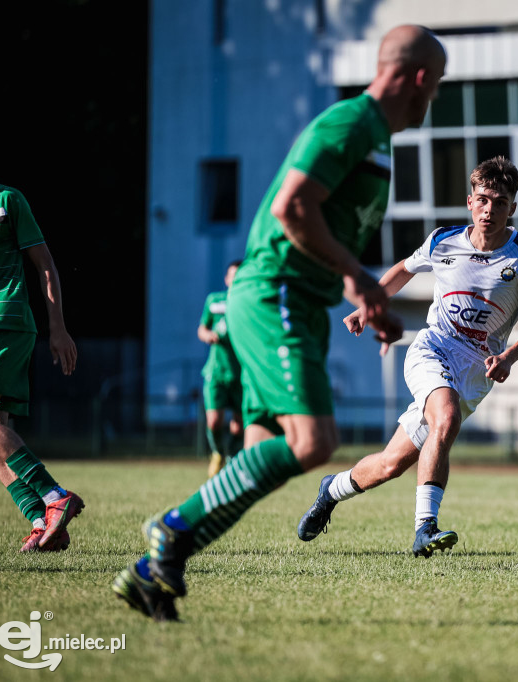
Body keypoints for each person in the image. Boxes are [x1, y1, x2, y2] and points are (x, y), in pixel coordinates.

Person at [113, 24, 446, 621]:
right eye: (437, 85)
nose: (436, 98)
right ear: (418, 78)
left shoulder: (376, 141)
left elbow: (326, 229)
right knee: (314, 441)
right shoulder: (349, 124)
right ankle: (169, 529)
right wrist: (363, 278)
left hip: (300, 302)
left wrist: (358, 290)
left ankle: (154, 572)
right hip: (275, 296)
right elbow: (290, 208)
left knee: (261, 457)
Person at [296, 156, 518, 556]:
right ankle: (425, 528)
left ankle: (332, 490)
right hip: (432, 349)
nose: (490, 210)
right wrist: (368, 308)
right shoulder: (442, 241)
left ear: (512, 208)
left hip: (476, 371)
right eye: (483, 200)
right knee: (445, 417)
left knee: (390, 464)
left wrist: (509, 358)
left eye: (500, 202)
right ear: (470, 202)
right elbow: (403, 269)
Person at [0, 113, 82, 552]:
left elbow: (45, 264)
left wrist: (58, 328)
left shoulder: (7, 200)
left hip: (6, 320)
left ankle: (54, 497)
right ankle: (42, 520)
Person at [198, 260, 244, 477]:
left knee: (239, 426)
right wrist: (207, 335)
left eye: (239, 276)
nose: (235, 280)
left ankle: (233, 461)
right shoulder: (215, 301)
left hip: (242, 373)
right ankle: (218, 452)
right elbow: (202, 328)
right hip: (216, 372)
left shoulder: (249, 303)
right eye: (232, 276)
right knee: (214, 420)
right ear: (226, 279)